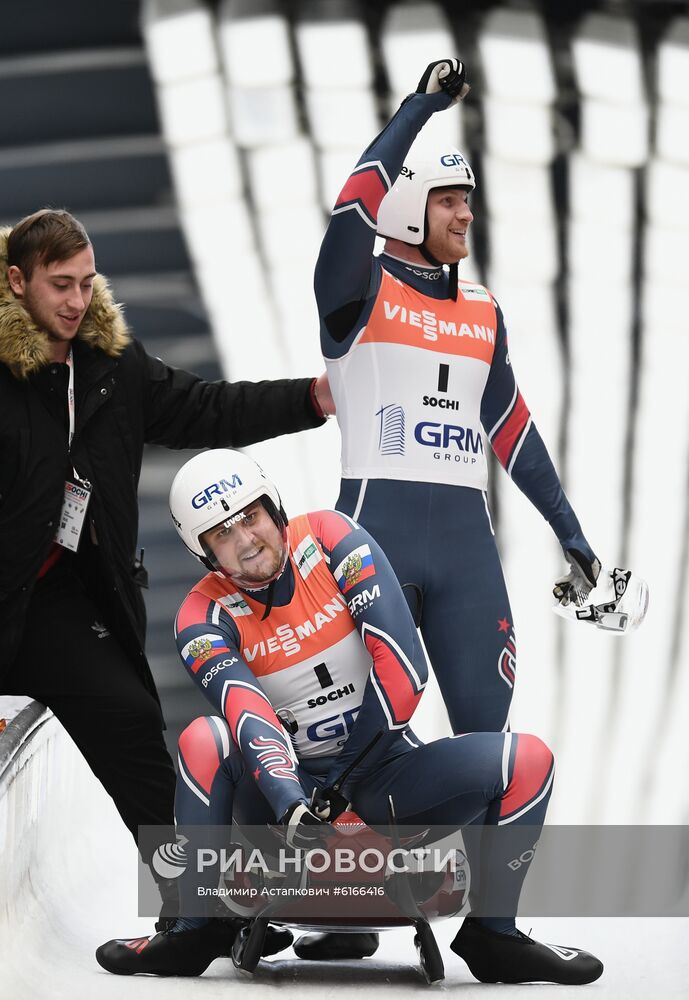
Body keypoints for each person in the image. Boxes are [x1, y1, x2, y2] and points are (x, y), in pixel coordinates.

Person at [96, 449, 603, 985]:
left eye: (250, 517)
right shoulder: (199, 615)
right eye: (222, 535)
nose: (246, 541)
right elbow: (248, 712)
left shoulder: (334, 537)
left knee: (528, 760)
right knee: (204, 738)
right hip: (280, 799)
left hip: (381, 775)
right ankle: (192, 929)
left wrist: (341, 787)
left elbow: (404, 669)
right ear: (204, 555)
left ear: (274, 509)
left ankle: (494, 935)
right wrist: (294, 803)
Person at [310, 57, 602, 961]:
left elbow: (508, 424)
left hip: (465, 548)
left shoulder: (481, 308)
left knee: (488, 743)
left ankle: (493, 927)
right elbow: (350, 205)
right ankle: (338, 909)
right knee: (357, 740)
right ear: (405, 207)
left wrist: (569, 531)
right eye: (447, 200)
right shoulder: (354, 291)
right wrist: (418, 110)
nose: (464, 215)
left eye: (467, 202)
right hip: (375, 543)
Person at [0, 209, 333, 919]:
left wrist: (311, 398)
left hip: (64, 606)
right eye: (60, 285)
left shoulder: (112, 369)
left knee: (135, 732)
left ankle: (199, 910)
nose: (76, 301)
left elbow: (207, 409)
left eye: (87, 284)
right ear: (16, 281)